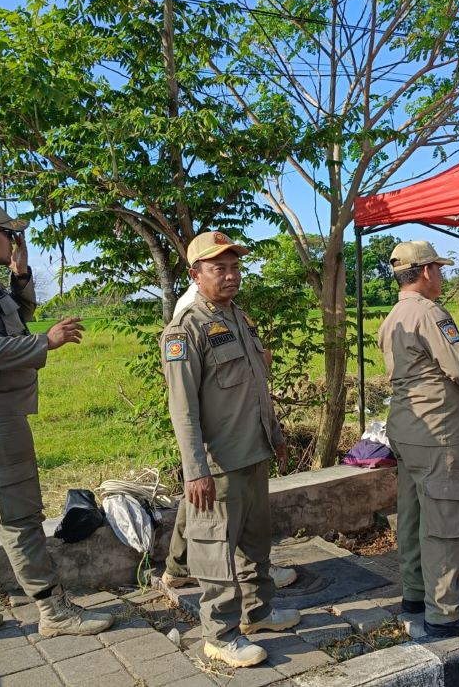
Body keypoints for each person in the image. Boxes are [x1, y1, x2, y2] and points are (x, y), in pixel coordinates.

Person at [0, 200, 113, 649]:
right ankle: (53, 610)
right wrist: (43, 344)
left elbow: (14, 317)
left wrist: (22, 273)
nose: (15, 241)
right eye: (9, 233)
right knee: (19, 515)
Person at [162, 231, 300, 668]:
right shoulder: (186, 330)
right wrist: (195, 470)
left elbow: (257, 388)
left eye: (235, 266)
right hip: (218, 463)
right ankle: (219, 635)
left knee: (255, 544)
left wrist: (275, 435)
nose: (230, 275)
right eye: (218, 267)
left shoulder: (238, 318)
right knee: (215, 549)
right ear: (195, 274)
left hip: (253, 450)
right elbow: (182, 410)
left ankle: (257, 614)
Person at [378, 240, 459, 638]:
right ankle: (445, 611)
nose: (441, 277)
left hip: (407, 429)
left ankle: (415, 593)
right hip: (437, 431)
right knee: (445, 520)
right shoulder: (429, 313)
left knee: (413, 514)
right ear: (426, 271)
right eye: (439, 270)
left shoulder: (393, 315)